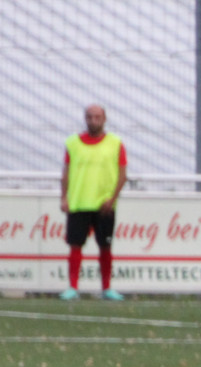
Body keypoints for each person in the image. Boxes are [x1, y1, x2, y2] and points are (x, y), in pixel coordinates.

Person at [60, 104, 127, 301]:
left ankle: (107, 288)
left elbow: (123, 174)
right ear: (85, 118)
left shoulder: (115, 143)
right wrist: (64, 197)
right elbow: (65, 173)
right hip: (79, 202)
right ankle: (72, 288)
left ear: (104, 119)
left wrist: (112, 199)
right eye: (89, 117)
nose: (93, 120)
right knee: (75, 245)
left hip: (104, 205)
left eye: (97, 117)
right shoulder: (73, 143)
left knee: (105, 246)